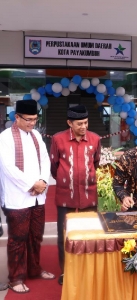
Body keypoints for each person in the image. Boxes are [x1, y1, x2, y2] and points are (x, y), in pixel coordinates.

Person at [0, 100, 54, 294]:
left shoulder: (36, 135)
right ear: (17, 117)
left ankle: (34, 269)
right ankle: (15, 279)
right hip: (17, 198)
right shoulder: (5, 138)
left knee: (35, 236)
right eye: (29, 120)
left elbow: (45, 160)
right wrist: (32, 184)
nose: (32, 123)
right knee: (18, 238)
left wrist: (42, 181)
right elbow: (8, 168)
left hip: (38, 197)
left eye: (35, 120)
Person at [50, 105, 101, 285]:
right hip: (66, 193)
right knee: (64, 233)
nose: (83, 127)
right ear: (69, 123)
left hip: (89, 192)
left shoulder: (95, 139)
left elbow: (96, 162)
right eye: (79, 124)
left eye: (86, 123)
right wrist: (67, 179)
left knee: (91, 230)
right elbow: (54, 166)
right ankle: (66, 271)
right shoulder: (58, 139)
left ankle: (90, 267)